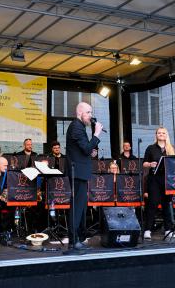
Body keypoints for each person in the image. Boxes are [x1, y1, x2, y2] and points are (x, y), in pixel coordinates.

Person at [66, 102, 103, 250]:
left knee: (80, 207)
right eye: (88, 112)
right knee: (76, 208)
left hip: (80, 172)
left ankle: (79, 238)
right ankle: (73, 240)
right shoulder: (76, 126)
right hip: (77, 173)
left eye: (91, 112)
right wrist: (96, 134)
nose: (90, 115)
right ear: (80, 112)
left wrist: (91, 151)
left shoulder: (79, 127)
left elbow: (85, 150)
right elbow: (87, 148)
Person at [142, 126, 175, 240]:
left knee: (167, 205)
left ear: (166, 135)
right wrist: (150, 164)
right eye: (159, 133)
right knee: (152, 204)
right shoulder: (150, 148)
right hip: (154, 180)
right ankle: (147, 230)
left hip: (167, 180)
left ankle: (168, 229)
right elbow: (144, 163)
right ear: (156, 135)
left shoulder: (171, 148)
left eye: (163, 133)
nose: (161, 134)